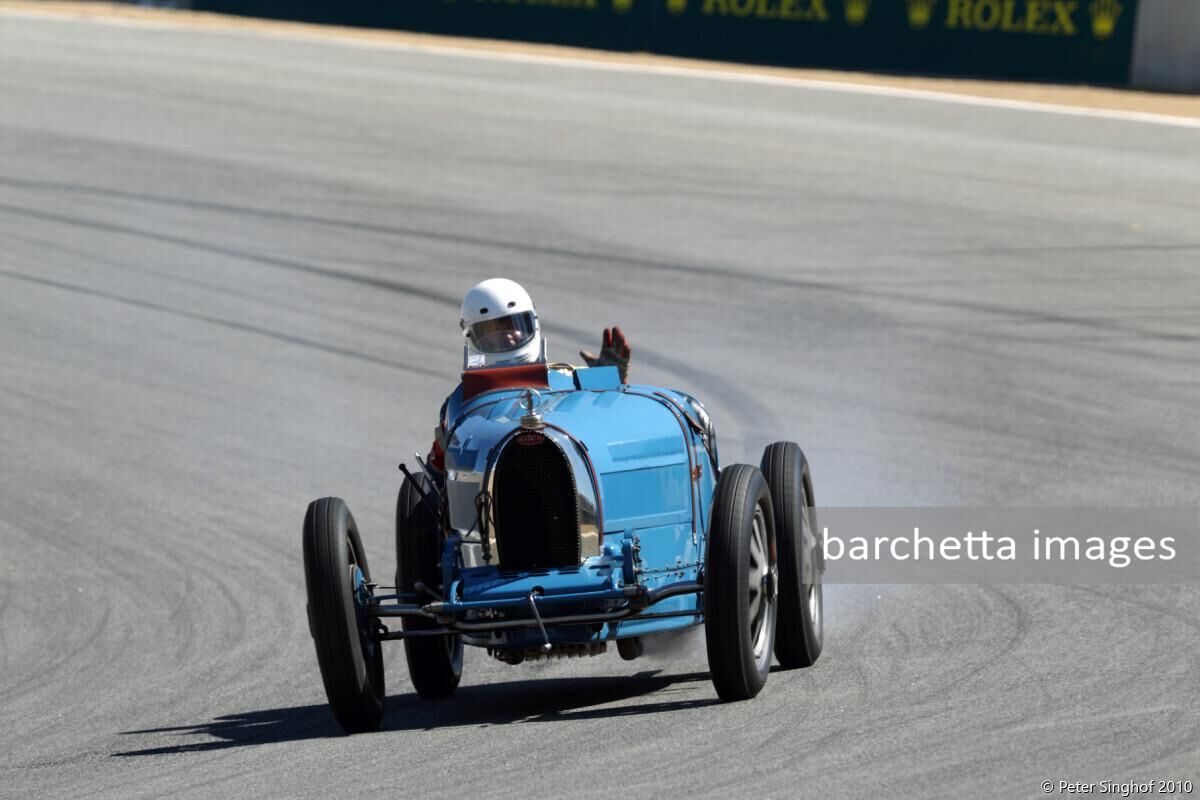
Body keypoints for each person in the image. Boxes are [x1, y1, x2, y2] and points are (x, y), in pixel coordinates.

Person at [427, 278, 631, 471]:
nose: (506, 335)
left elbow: (613, 416)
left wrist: (611, 378)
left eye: (511, 325)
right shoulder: (461, 400)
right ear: (472, 337)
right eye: (491, 330)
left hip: (567, 475)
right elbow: (438, 468)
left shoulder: (570, 375)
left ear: (532, 322)